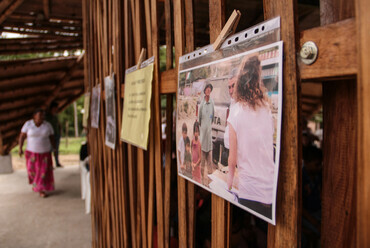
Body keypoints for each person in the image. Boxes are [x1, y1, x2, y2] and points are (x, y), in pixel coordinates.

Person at [226, 56, 275, 219]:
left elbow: (232, 160)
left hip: (249, 192)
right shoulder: (266, 107)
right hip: (269, 191)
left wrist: (228, 187)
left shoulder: (237, 111)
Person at [19, 109, 56, 198]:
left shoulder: (47, 125)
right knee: (32, 171)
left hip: (44, 153)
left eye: (43, 116)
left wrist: (54, 148)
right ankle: (36, 184)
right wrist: (20, 148)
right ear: (34, 116)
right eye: (40, 115)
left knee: (42, 172)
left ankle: (41, 190)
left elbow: (51, 137)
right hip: (31, 153)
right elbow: (22, 136)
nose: (42, 117)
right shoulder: (28, 124)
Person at [198, 82, 214, 186]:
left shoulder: (212, 102)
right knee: (202, 158)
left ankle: (210, 180)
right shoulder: (201, 104)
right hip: (203, 135)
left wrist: (208, 127)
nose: (208, 91)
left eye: (210, 89)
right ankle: (201, 179)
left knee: (210, 159)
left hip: (209, 134)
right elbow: (199, 119)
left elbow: (212, 116)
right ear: (204, 91)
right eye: (207, 89)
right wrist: (203, 128)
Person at [45, 101, 62, 168]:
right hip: (50, 136)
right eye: (55, 108)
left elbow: (58, 124)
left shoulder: (55, 116)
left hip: (57, 135)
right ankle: (50, 164)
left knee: (56, 149)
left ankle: (57, 162)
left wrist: (60, 132)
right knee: (49, 150)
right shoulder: (47, 117)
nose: (56, 109)